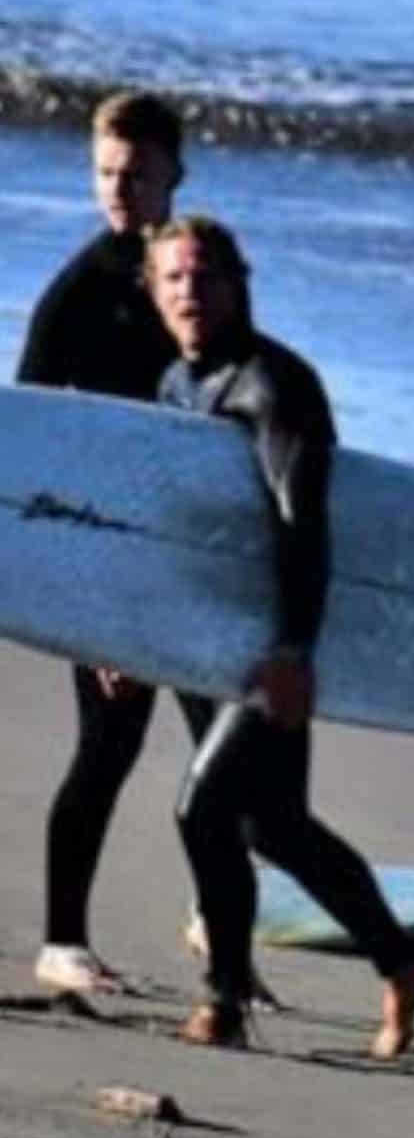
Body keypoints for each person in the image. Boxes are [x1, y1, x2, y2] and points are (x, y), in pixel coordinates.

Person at [143, 215, 414, 1055]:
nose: (189, 293)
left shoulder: (273, 386)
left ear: (241, 283)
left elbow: (302, 525)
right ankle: (405, 963)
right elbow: (165, 528)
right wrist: (127, 639)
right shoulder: (174, 382)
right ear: (151, 290)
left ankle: (224, 1002)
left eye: (205, 276)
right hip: (206, 638)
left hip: (271, 640)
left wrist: (293, 651)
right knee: (270, 825)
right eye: (172, 279)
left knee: (202, 809)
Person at [13, 91, 187, 994]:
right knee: (109, 746)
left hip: (188, 552)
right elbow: (28, 448)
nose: (120, 189)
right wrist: (89, 611)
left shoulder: (195, 276)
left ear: (174, 177)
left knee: (226, 746)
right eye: (107, 173)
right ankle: (62, 940)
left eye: (137, 173)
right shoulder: (79, 293)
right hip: (110, 557)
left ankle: (219, 930)